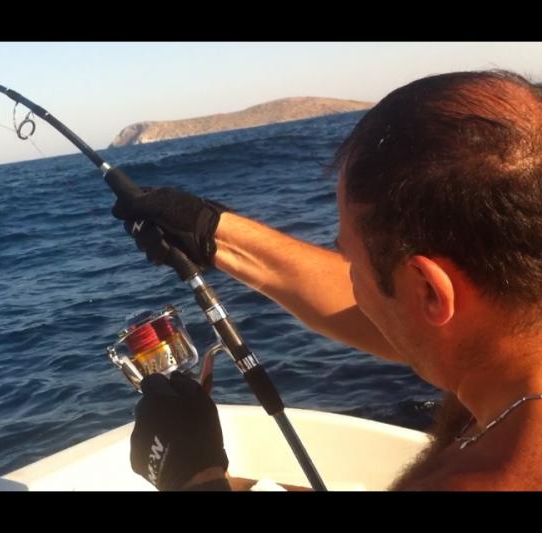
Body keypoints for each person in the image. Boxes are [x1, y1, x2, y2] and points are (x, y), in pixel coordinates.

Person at [112, 70, 542, 491]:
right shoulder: (506, 346)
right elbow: (392, 316)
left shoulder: (488, 478)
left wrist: (194, 480)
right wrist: (210, 232)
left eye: (351, 263)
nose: (350, 281)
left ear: (429, 290)